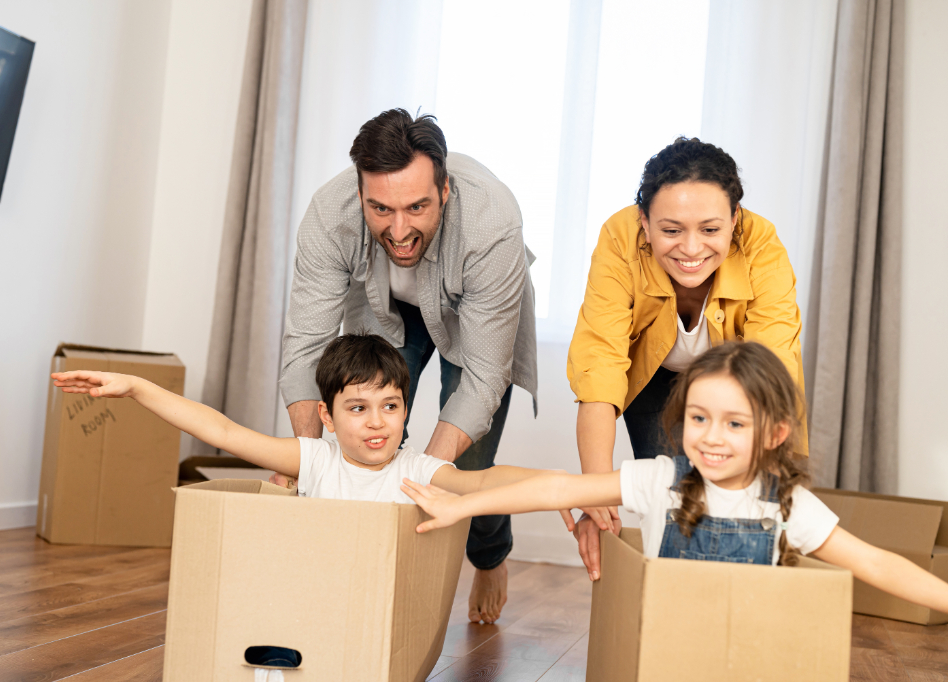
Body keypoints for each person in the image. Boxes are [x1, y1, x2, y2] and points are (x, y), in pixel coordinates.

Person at [402, 342, 948, 616]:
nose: (712, 437)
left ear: (776, 432)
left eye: (735, 424)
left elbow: (873, 562)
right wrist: (463, 507)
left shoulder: (786, 506)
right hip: (667, 643)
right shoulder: (660, 479)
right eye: (699, 418)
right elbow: (557, 489)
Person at [278, 109, 537, 623]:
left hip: (472, 317)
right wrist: (303, 465)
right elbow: (307, 347)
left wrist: (423, 481)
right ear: (359, 195)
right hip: (386, 315)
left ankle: (490, 556)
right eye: (380, 209)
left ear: (445, 191)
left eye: (417, 206)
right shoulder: (330, 216)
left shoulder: (493, 222)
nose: (399, 230)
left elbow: (484, 378)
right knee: (362, 441)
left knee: (469, 465)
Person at [565, 136, 806, 581]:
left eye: (711, 230)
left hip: (740, 385)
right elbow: (599, 366)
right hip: (651, 377)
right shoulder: (620, 239)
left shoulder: (762, 246)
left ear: (735, 219)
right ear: (644, 221)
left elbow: (770, 372)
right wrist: (593, 495)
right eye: (671, 230)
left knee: (741, 503)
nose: (691, 249)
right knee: (674, 504)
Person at [51, 334, 546, 505]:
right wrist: (138, 387)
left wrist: (564, 486)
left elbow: (483, 484)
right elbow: (222, 431)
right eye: (357, 408)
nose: (377, 423)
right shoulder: (313, 459)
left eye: (390, 407)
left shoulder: (416, 470)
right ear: (326, 417)